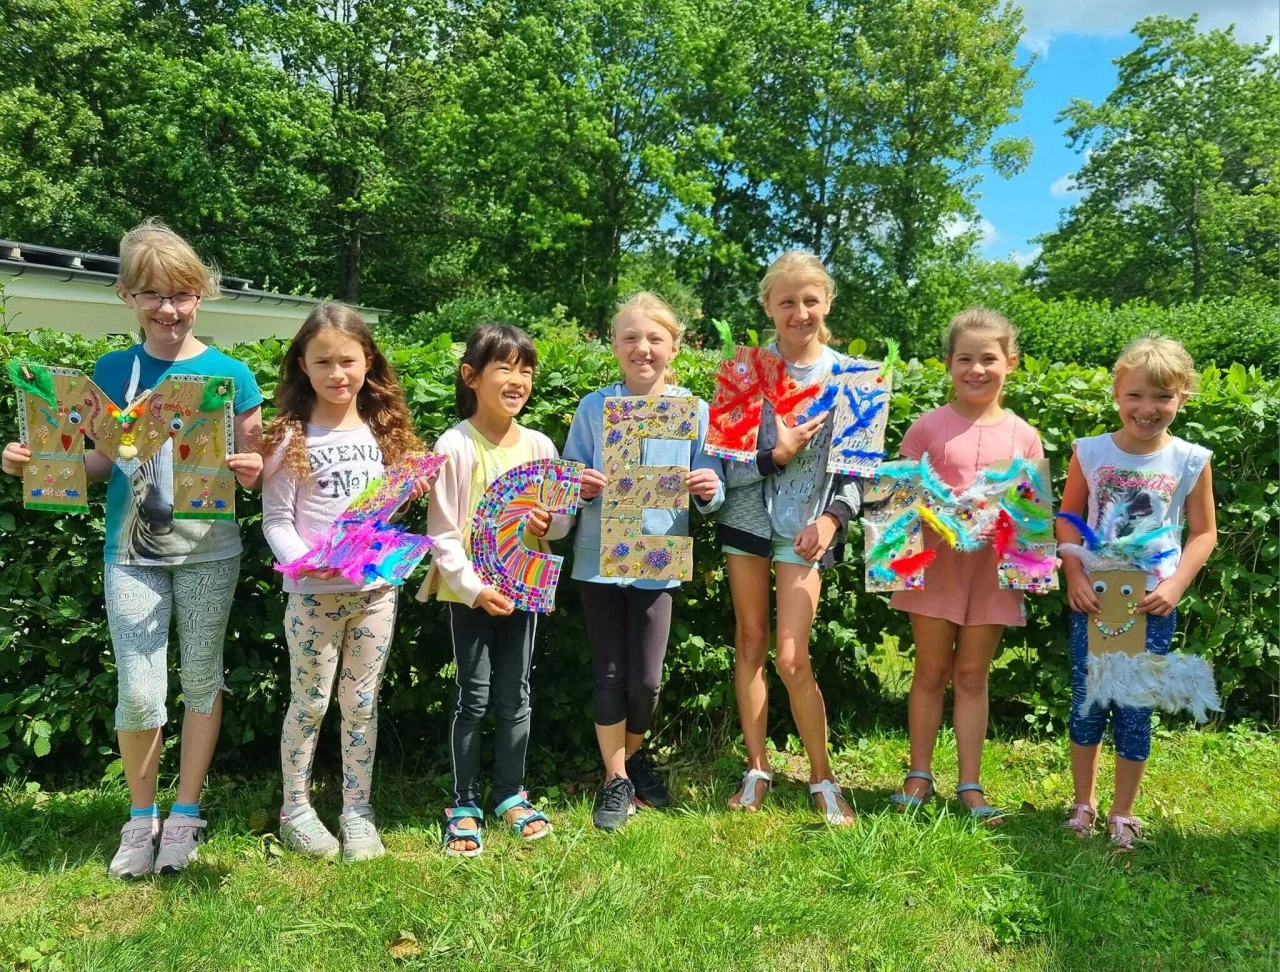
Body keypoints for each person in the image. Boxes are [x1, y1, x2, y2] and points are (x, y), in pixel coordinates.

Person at [3, 219, 264, 877]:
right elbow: (102, 462)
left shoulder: (232, 376)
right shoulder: (112, 371)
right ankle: (140, 818)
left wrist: (254, 472)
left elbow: (253, 466)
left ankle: (186, 815)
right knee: (141, 692)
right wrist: (39, 465)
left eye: (181, 294)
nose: (168, 310)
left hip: (210, 550)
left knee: (201, 679)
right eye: (153, 295)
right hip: (130, 553)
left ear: (200, 295)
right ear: (127, 296)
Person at [260, 303, 432, 862]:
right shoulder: (289, 437)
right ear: (302, 366)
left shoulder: (386, 435)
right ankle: (295, 810)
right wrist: (301, 561)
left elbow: (383, 516)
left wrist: (413, 488)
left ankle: (358, 812)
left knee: (362, 703)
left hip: (376, 595)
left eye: (348, 361)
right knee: (309, 702)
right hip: (313, 599)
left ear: (368, 362)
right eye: (323, 362)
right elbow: (276, 520)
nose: (337, 374)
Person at [562, 292, 725, 830]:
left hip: (659, 558)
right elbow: (567, 478)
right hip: (600, 560)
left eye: (655, 338)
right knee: (609, 671)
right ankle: (615, 779)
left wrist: (709, 488)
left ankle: (631, 759)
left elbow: (712, 483)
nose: (643, 348)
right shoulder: (594, 408)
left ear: (674, 347)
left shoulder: (693, 410)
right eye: (630, 337)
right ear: (614, 346)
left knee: (648, 680)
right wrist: (580, 486)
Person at [417, 324, 571, 856]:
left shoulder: (540, 444)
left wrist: (551, 523)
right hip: (471, 595)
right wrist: (474, 588)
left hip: (524, 590)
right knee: (474, 696)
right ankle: (463, 803)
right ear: (472, 376)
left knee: (516, 694)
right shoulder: (455, 444)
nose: (517, 380)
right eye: (504, 367)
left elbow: (561, 521)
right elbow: (442, 533)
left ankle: (510, 794)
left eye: (526, 370)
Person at [719, 251, 860, 826]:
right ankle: (757, 769)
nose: (799, 312)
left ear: (827, 302)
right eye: (786, 302)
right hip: (747, 523)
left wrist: (832, 521)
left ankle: (822, 777)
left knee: (792, 657)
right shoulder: (742, 372)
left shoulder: (855, 378)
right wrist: (775, 455)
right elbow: (727, 469)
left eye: (809, 300)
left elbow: (860, 472)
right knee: (750, 644)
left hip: (809, 531)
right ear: (768, 308)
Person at [886, 308, 1044, 824]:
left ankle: (970, 785)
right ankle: (918, 775)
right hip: (936, 567)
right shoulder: (927, 427)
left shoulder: (1025, 436)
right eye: (965, 359)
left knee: (973, 674)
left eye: (989, 359)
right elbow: (897, 503)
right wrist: (933, 514)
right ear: (948, 364)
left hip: (991, 574)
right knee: (931, 670)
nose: (977, 370)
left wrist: (1018, 538)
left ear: (1011, 362)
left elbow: (1031, 517)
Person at [1058, 336, 1216, 851]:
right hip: (1094, 600)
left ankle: (1122, 811)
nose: (1147, 408)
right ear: (1116, 393)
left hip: (1151, 606)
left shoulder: (1190, 460)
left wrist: (1175, 584)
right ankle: (1083, 803)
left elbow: (1204, 533)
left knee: (1134, 707)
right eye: (1135, 395)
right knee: (1088, 703)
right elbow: (1067, 519)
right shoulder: (1090, 452)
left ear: (1182, 397)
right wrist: (1074, 574)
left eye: (1162, 397)